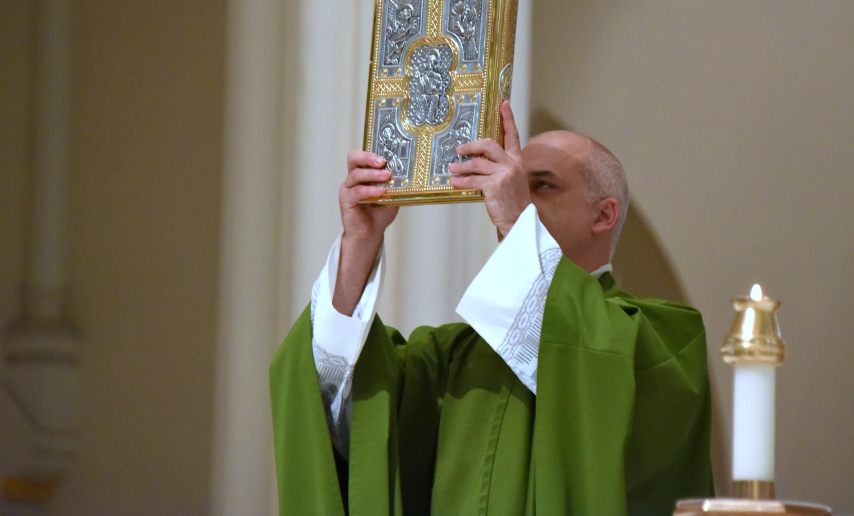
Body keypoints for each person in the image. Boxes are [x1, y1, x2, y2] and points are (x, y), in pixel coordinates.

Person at [270, 102, 714, 515]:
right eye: (514, 183)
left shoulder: (662, 341)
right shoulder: (450, 357)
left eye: (539, 184)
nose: (512, 193)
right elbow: (344, 414)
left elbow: (598, 382)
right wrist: (359, 244)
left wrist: (521, 224)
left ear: (604, 215)